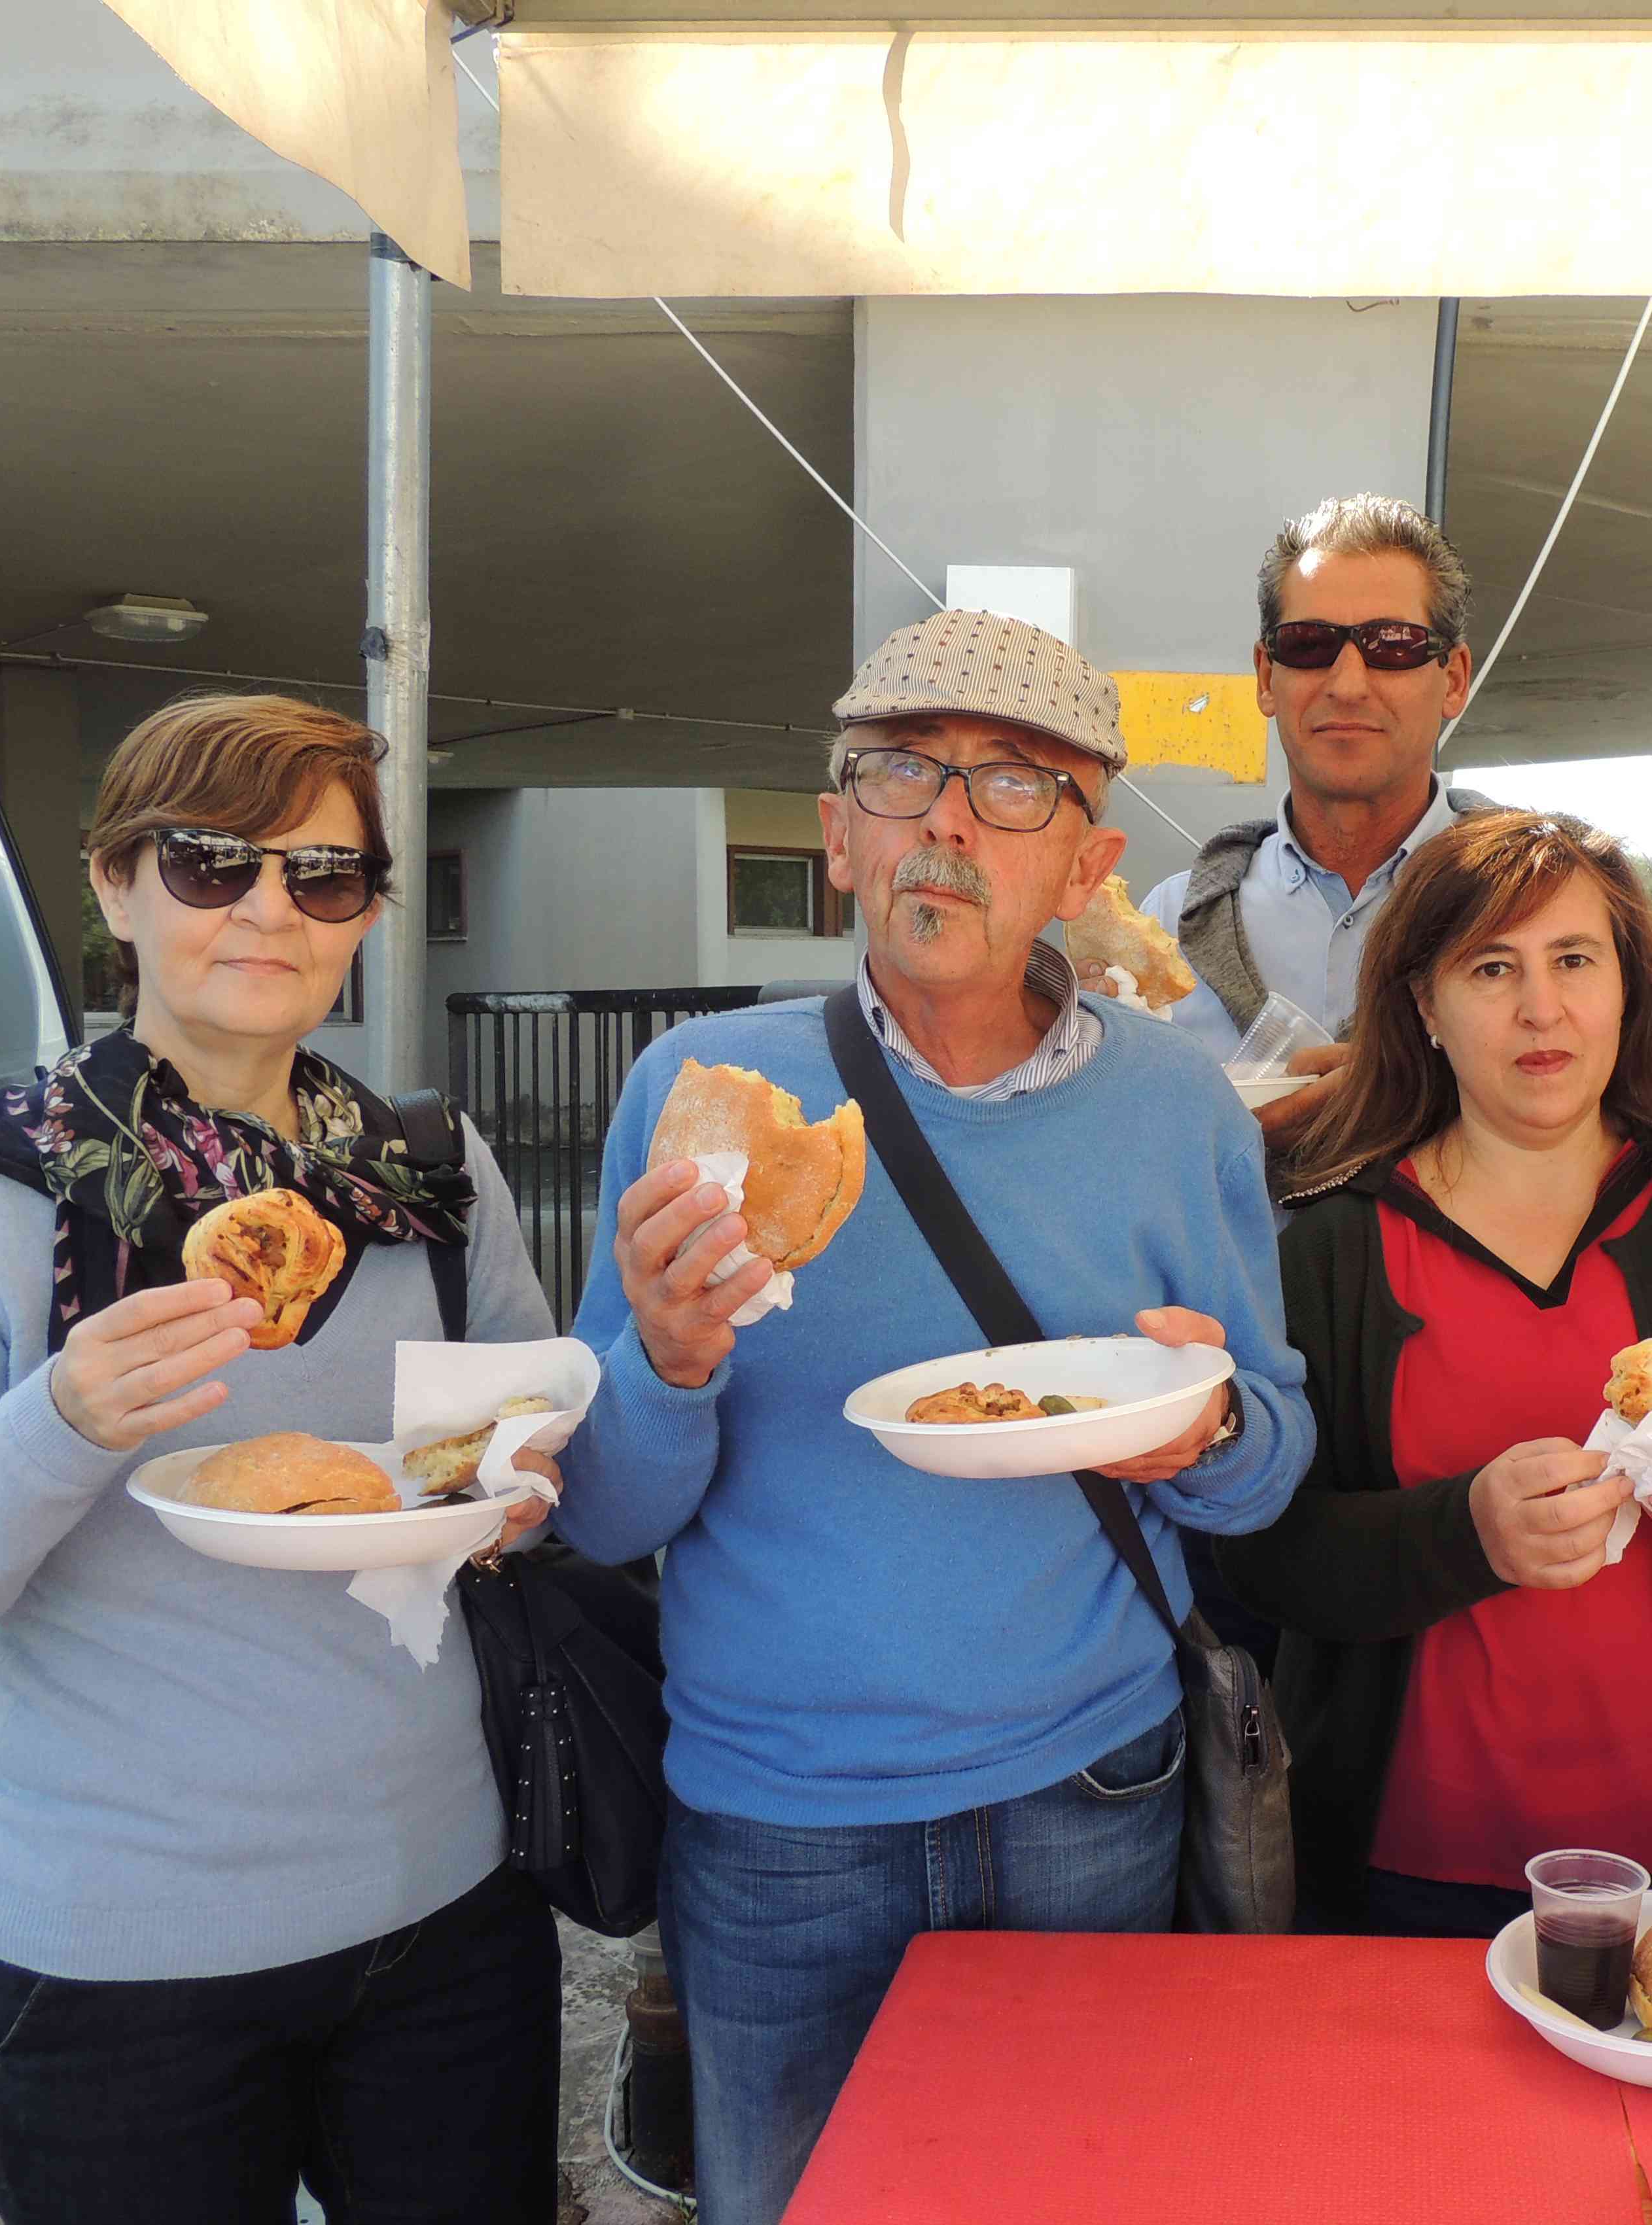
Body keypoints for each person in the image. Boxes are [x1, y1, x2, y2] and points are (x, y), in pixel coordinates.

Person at [554, 609, 1314, 2218]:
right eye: (901, 774)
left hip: (1090, 1792)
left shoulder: (1180, 1108)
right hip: (776, 1820)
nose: (949, 823)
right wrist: (672, 1355)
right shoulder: (703, 1096)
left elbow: (1265, 1468)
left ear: (1086, 861)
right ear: (838, 834)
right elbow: (603, 1512)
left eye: (1015, 788)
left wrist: (1208, 1429)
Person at [0, 696, 564, 2222]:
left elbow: (515, 1467)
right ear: (115, 884)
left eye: (322, 873)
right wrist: (57, 1424)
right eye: (211, 862)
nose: (269, 906)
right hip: (117, 1967)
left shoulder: (431, 1168)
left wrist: (516, 1495)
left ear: (368, 909)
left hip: (449, 1926)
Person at [1217, 811, 1652, 1936]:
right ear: (1422, 1008)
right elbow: (1256, 1556)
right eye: (1491, 968)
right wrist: (1464, 1536)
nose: (1540, 1008)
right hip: (1397, 1870)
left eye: (1573, 961)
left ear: (1628, 991)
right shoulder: (1331, 1238)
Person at [1135, 493, 1495, 1157]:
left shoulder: (1537, 913)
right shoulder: (1168, 927)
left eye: (1393, 644)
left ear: (1453, 678)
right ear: (1267, 675)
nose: (1349, 683)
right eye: (1310, 644)